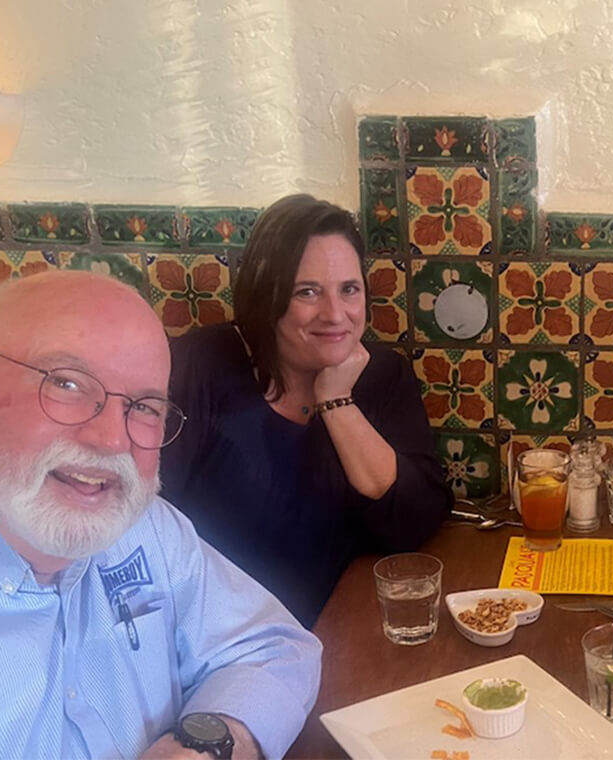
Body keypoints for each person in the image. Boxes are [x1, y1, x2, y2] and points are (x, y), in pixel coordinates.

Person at [0, 271, 321, 759]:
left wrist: (202, 745)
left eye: (146, 407)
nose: (112, 440)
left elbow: (275, 647)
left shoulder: (142, 527)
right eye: (66, 383)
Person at [161, 194, 451, 628]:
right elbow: (145, 519)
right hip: (215, 637)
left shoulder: (382, 375)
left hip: (343, 628)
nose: (336, 315)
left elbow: (413, 523)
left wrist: (337, 403)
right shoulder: (200, 366)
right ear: (267, 295)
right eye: (307, 292)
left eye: (349, 290)